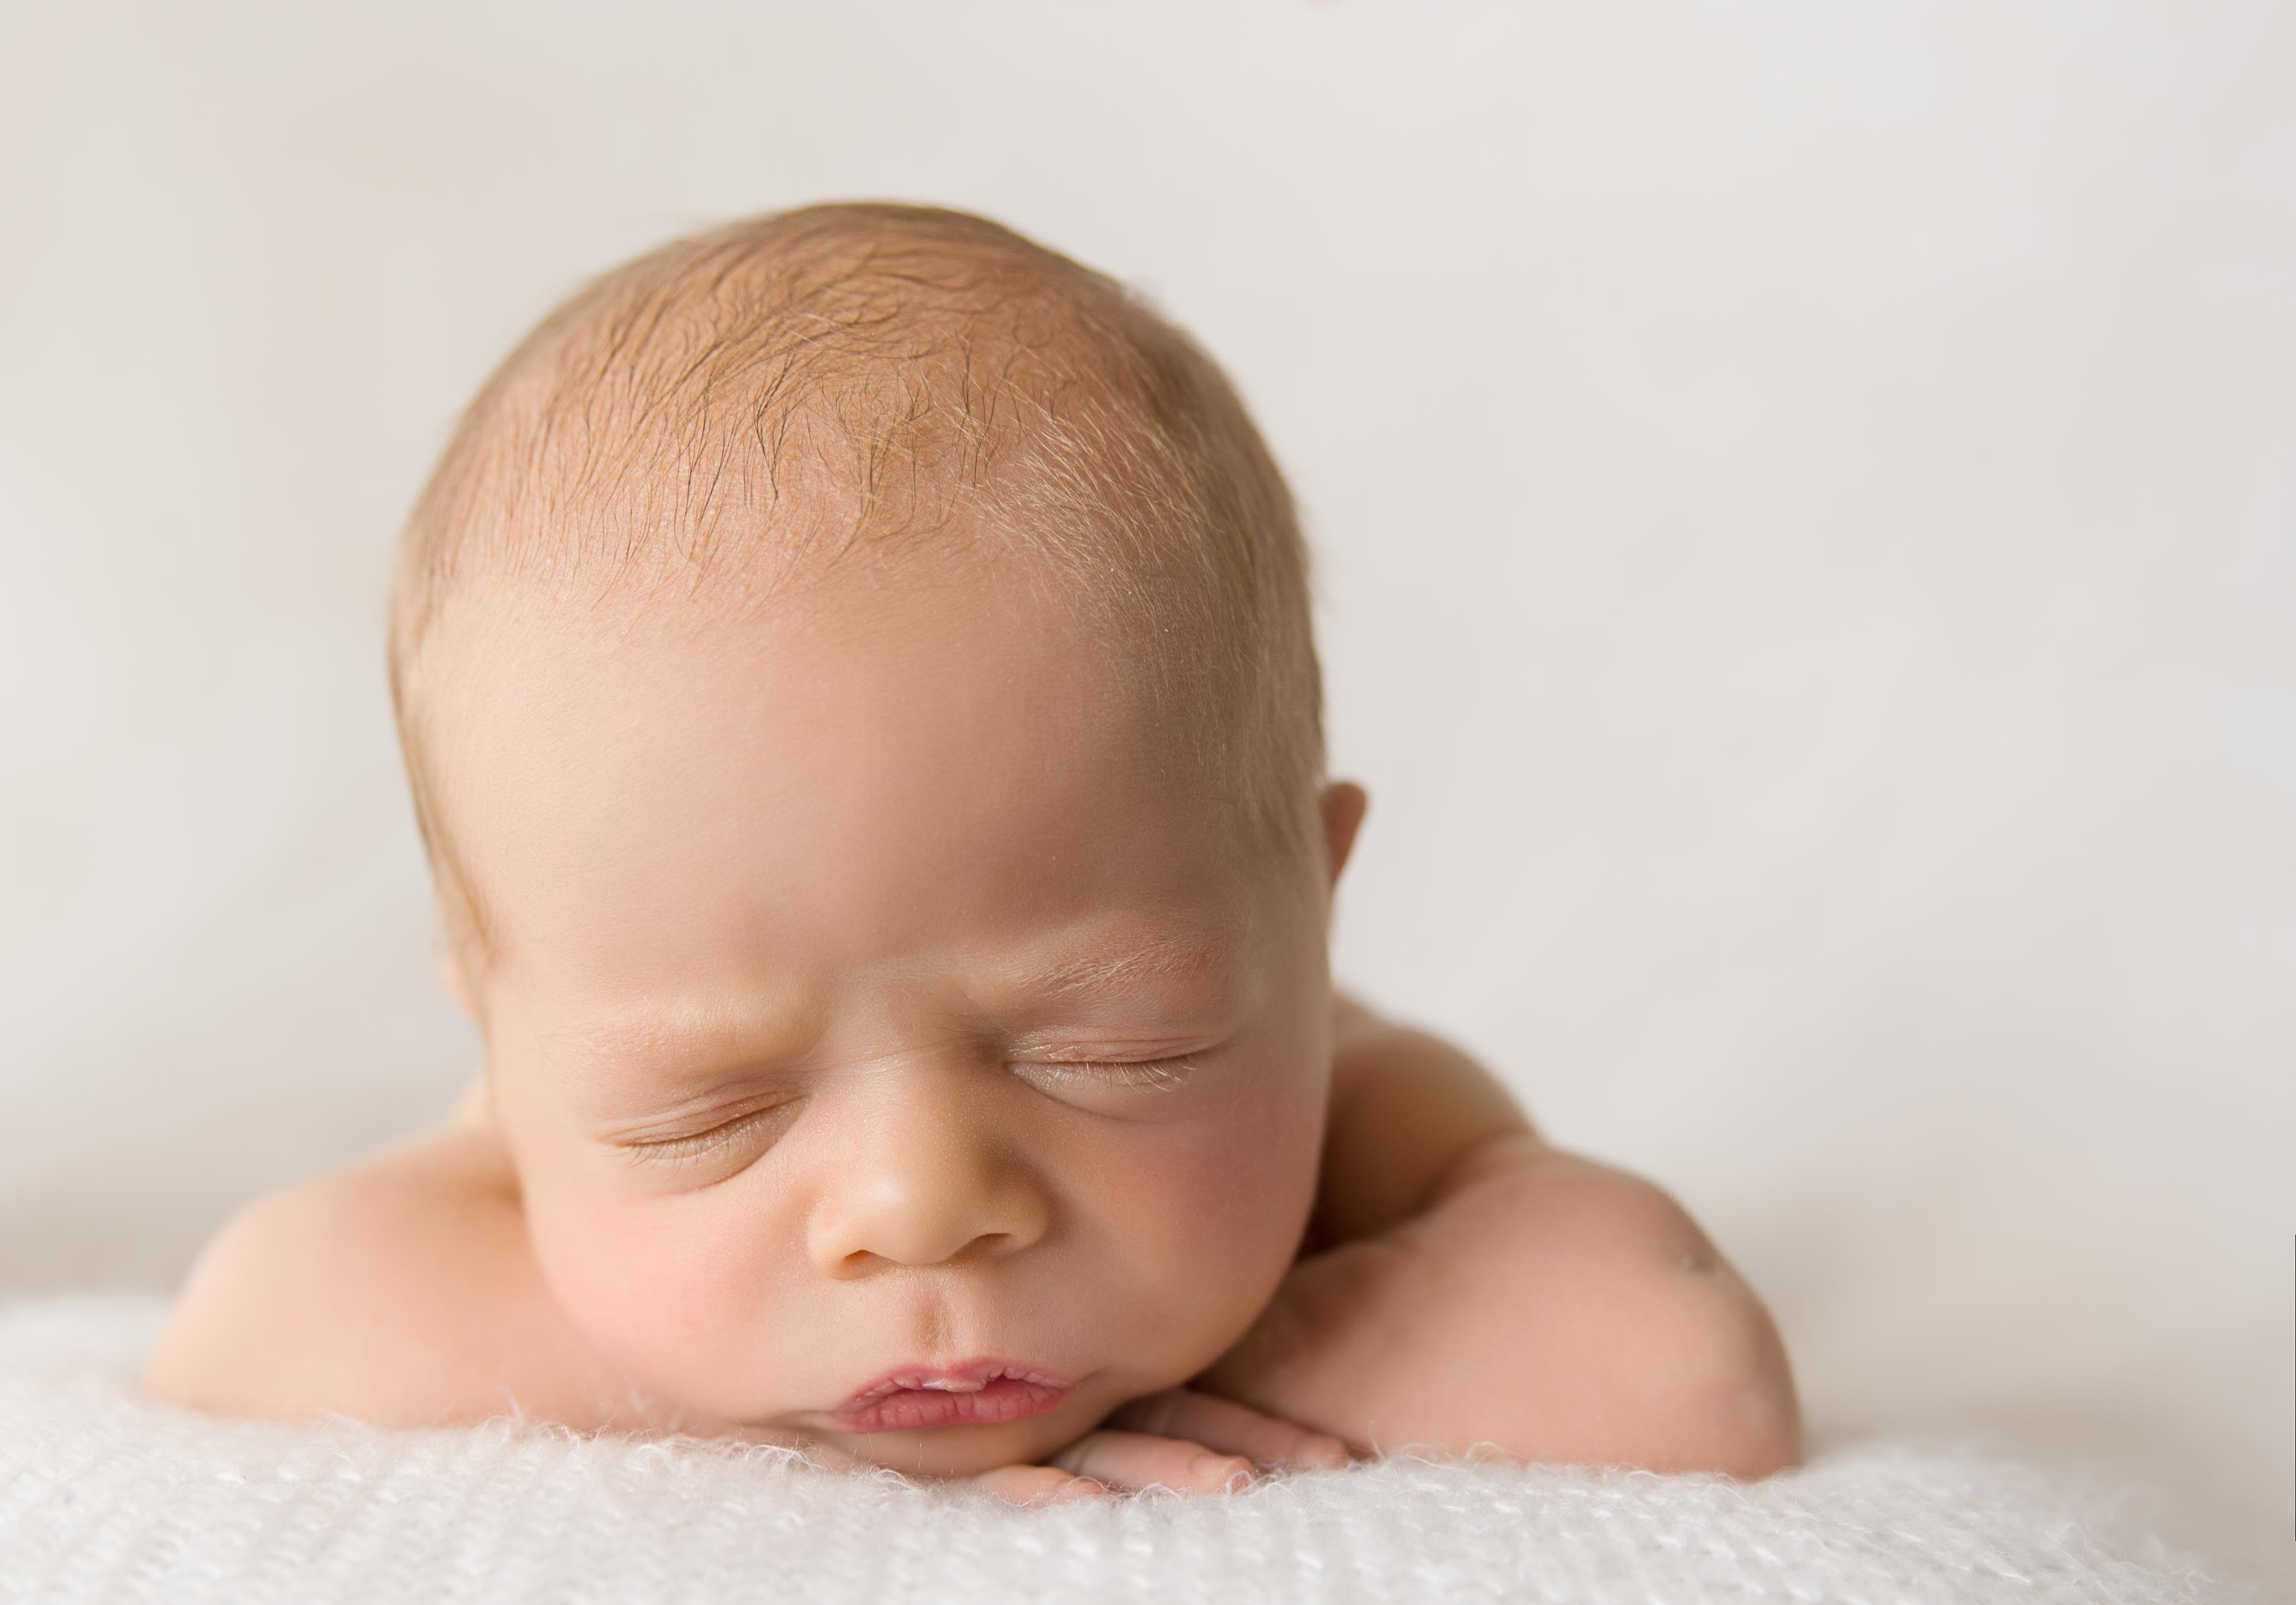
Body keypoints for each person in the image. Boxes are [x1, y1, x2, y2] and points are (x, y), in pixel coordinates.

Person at [143, 202, 1801, 1502]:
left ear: (1305, 910)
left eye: (1106, 1043)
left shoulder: (1367, 1111)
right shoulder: (532, 1110)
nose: (915, 1201)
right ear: (499, 1025)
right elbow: (259, 1319)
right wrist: (743, 1402)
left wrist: (1224, 1360)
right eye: (709, 1106)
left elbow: (1674, 1362)